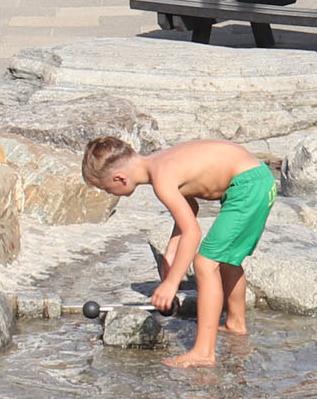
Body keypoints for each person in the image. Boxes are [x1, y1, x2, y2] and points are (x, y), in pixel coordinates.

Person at [81, 135, 271, 369]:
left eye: (106, 189)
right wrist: (171, 251)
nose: (110, 195)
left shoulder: (161, 178)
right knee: (226, 259)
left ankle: (203, 353)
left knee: (205, 262)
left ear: (119, 178)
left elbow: (192, 232)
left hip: (248, 186)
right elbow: (190, 206)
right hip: (256, 179)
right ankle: (236, 324)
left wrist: (172, 283)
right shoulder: (159, 162)